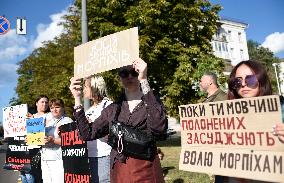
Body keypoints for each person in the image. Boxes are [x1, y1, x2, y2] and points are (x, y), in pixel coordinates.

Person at [70, 58, 167, 183]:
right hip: (121, 170)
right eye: (124, 73)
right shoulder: (114, 108)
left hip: (146, 168)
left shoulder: (151, 101)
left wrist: (144, 80)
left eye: (134, 72)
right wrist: (77, 99)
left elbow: (159, 128)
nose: (129, 76)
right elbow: (87, 133)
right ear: (120, 78)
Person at [218, 60, 279, 183]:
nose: (244, 85)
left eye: (250, 79)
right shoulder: (224, 115)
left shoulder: (281, 111)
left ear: (261, 80)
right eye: (237, 81)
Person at [84, 76, 112, 183]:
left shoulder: (109, 105)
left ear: (95, 87)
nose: (84, 90)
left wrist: (94, 126)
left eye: (86, 87)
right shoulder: (89, 110)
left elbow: (113, 131)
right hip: (90, 155)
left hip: (104, 155)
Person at [41, 98, 73, 183]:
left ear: (63, 108)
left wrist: (53, 140)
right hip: (45, 159)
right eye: (51, 108)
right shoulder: (48, 122)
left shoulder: (67, 121)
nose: (54, 110)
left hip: (59, 160)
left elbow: (71, 142)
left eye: (57, 107)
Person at [22, 95, 51, 183]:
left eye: (46, 102)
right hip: (31, 148)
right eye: (42, 102)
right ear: (36, 103)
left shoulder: (50, 115)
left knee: (42, 175)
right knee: (32, 174)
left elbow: (48, 128)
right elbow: (24, 132)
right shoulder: (30, 116)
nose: (45, 104)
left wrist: (33, 120)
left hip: (44, 148)